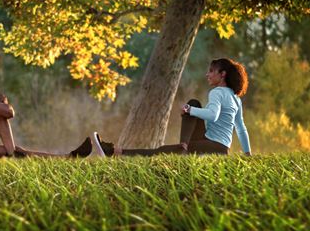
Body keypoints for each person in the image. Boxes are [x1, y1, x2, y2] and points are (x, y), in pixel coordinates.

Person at [91, 58, 252, 157]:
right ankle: (183, 146)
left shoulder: (217, 92)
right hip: (223, 149)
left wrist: (190, 110)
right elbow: (241, 128)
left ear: (222, 74)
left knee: (160, 150)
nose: (207, 74)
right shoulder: (235, 98)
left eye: (211, 71)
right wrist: (247, 154)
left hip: (210, 145)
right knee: (194, 103)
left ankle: (114, 152)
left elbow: (213, 115)